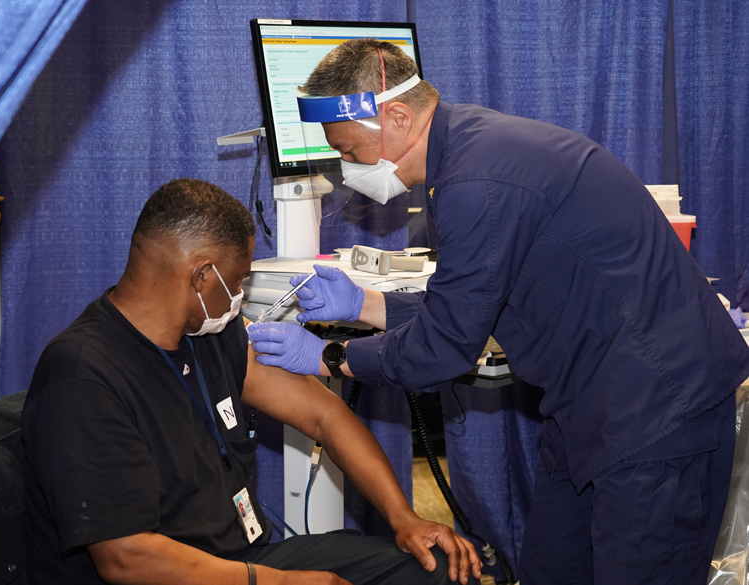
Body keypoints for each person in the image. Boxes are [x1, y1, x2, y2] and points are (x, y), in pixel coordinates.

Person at [246, 39, 749, 585]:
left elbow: (444, 347)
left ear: (396, 117)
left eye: (348, 151)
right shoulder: (465, 151)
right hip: (590, 401)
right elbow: (471, 300)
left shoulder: (474, 181)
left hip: (657, 406)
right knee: (551, 568)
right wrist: (366, 304)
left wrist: (331, 356)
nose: (347, 169)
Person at [20, 178, 482, 585]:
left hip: (243, 560)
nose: (240, 295)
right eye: (238, 279)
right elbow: (125, 558)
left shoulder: (210, 333)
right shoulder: (83, 377)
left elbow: (324, 415)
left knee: (435, 568)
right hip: (170, 576)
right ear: (202, 276)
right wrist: (277, 582)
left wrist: (403, 518)